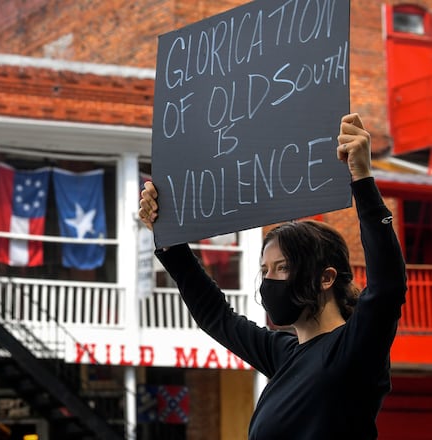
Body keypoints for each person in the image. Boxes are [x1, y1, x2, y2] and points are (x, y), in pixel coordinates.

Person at [138, 113, 407, 439]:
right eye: (264, 270)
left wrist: (362, 178)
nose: (269, 282)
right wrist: (169, 238)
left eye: (282, 268)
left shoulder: (353, 350)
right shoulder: (283, 354)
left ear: (326, 278)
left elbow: (387, 287)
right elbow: (215, 316)